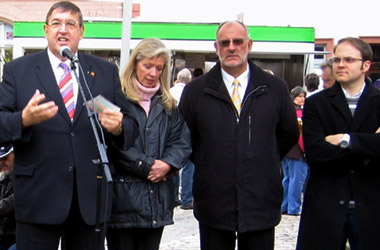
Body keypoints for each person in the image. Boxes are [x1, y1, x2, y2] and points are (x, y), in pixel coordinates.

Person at [0, 1, 137, 249]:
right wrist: (22, 119)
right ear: (45, 30)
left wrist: (118, 127)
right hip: (38, 197)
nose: (63, 30)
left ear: (81, 32)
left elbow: (130, 127)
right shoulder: (19, 71)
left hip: (89, 200)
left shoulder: (103, 72)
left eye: (71, 24)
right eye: (56, 23)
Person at [179, 20, 299, 250]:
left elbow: (287, 133)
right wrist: (212, 163)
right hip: (214, 201)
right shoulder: (196, 91)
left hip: (260, 200)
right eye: (225, 43)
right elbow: (188, 139)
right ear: (216, 48)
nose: (231, 47)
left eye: (238, 41)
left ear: (249, 45)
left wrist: (260, 159)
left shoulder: (275, 88)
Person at [106, 38, 191, 250]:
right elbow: (114, 145)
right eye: (148, 66)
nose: (153, 73)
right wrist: (147, 166)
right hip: (123, 200)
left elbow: (181, 141)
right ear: (135, 63)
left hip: (157, 201)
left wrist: (169, 164)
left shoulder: (168, 103)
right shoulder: (115, 96)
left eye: (159, 68)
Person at [297, 37, 380, 250]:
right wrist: (369, 145)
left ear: (366, 65)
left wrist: (346, 139)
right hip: (326, 204)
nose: (340, 64)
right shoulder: (316, 103)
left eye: (349, 59)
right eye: (337, 59)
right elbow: (316, 153)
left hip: (371, 204)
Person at [281, 86, 308, 216]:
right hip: (296, 151)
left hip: (286, 150)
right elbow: (301, 135)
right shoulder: (299, 114)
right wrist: (305, 149)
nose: (302, 99)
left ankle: (284, 205)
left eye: (303, 96)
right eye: (299, 96)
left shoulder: (286, 111)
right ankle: (294, 207)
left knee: (287, 179)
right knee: (296, 179)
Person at [170, 68, 195, 210]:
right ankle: (186, 198)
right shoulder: (190, 92)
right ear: (189, 79)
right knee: (188, 166)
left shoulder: (170, 91)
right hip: (186, 131)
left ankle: (173, 197)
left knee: (173, 162)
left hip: (172, 132)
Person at [0, 145, 15, 250]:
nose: (1, 162)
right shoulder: (3, 179)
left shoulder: (26, 180)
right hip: (4, 235)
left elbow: (13, 201)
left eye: (5, 158)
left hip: (20, 235)